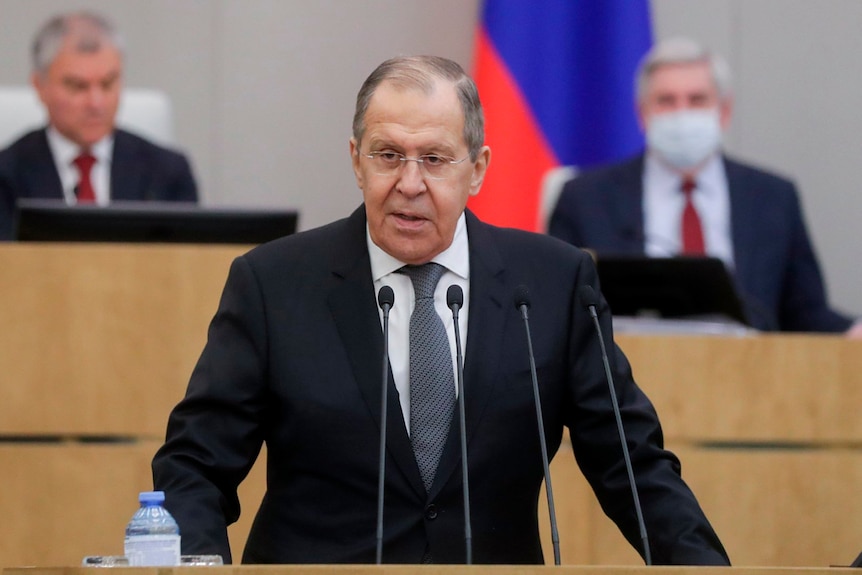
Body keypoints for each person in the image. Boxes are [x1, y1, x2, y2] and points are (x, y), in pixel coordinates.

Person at [152, 55, 729, 565]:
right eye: (388, 155)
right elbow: (195, 466)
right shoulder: (273, 283)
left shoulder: (552, 283)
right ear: (356, 161)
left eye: (434, 158)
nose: (409, 183)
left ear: (476, 168)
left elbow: (633, 467)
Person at [549, 37, 862, 336]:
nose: (682, 113)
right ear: (642, 113)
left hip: (753, 377)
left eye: (697, 100)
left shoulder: (773, 198)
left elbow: (805, 313)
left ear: (724, 111)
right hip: (624, 376)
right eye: (666, 101)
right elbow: (557, 308)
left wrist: (851, 332)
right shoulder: (585, 199)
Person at [0, 11, 198, 240]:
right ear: (39, 86)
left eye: (107, 84)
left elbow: (186, 266)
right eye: (78, 86)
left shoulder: (168, 172)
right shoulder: (6, 176)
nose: (96, 103)